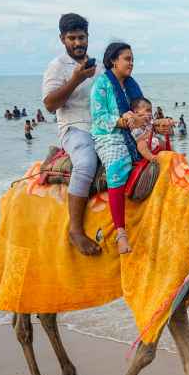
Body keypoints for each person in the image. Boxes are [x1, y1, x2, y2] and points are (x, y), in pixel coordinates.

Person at [42, 13, 102, 256]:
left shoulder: (97, 68)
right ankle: (75, 230)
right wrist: (76, 79)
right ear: (62, 39)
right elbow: (49, 104)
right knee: (87, 163)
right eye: (72, 38)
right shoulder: (57, 67)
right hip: (74, 127)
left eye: (82, 37)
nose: (78, 43)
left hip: (100, 127)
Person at [89, 41, 151, 255]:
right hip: (109, 133)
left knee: (161, 153)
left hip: (132, 131)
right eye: (127, 59)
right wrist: (122, 121)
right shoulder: (102, 84)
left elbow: (143, 110)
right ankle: (121, 232)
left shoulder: (132, 85)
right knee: (117, 166)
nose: (131, 63)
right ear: (113, 60)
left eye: (132, 59)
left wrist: (152, 121)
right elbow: (99, 117)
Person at [130, 97, 171, 162]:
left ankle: (174, 155)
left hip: (154, 141)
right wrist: (137, 118)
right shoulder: (134, 122)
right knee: (141, 145)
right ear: (136, 111)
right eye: (148, 110)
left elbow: (156, 122)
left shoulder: (149, 121)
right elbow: (136, 140)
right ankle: (151, 157)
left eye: (151, 111)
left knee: (165, 143)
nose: (150, 113)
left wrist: (165, 121)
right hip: (143, 142)